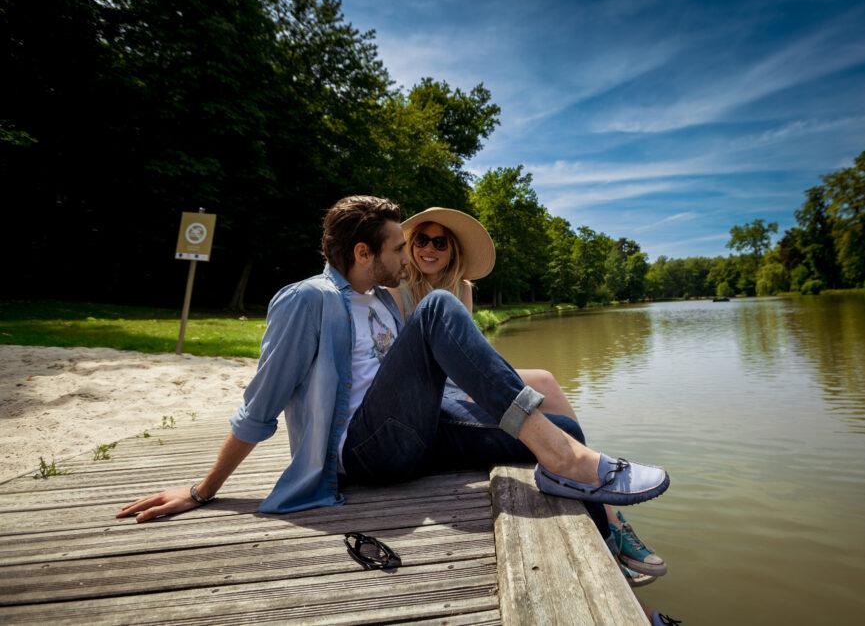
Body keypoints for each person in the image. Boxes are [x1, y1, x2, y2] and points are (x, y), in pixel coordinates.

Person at [117, 196, 669, 530]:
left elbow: (423, 374)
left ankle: (605, 532)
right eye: (398, 248)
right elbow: (258, 408)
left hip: (413, 433)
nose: (407, 257)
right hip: (364, 451)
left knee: (562, 424)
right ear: (364, 254)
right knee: (439, 309)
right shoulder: (308, 301)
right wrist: (202, 490)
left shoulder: (382, 301)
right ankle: (572, 460)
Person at [389, 208, 667, 583]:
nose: (429, 249)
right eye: (421, 240)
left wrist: (488, 389)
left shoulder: (462, 288)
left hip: (459, 380)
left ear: (452, 250)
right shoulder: (398, 286)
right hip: (427, 387)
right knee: (539, 413)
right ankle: (604, 509)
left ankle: (608, 509)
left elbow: (471, 353)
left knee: (547, 380)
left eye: (440, 242)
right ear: (411, 244)